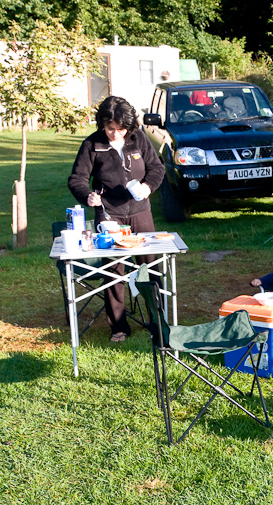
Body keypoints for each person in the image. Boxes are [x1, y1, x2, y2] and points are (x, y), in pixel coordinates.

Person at [68, 96, 165, 342]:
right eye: (109, 128)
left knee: (151, 266)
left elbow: (157, 168)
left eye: (120, 129)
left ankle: (158, 321)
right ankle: (119, 327)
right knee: (113, 271)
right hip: (109, 215)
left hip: (141, 211)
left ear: (129, 127)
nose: (114, 133)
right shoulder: (92, 144)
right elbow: (77, 179)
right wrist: (87, 196)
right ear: (102, 123)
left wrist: (148, 187)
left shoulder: (139, 138)